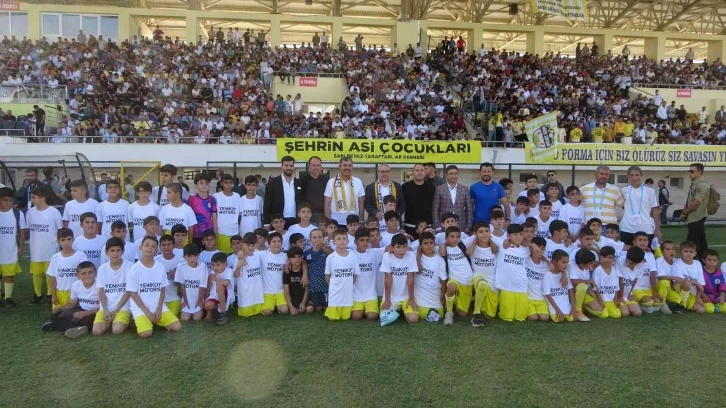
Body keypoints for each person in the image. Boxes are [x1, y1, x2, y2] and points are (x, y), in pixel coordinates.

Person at [126, 236, 182, 338]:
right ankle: (135, 320)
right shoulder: (134, 269)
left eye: (153, 246)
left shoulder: (160, 267)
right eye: (147, 245)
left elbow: (162, 290)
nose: (149, 248)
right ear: (141, 247)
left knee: (177, 327)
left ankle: (153, 321)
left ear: (156, 250)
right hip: (141, 308)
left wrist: (159, 309)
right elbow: (133, 294)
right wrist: (147, 313)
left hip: (157, 307)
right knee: (146, 334)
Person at [41, 261, 99, 339]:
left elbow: (104, 307)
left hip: (95, 312)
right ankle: (74, 327)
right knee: (59, 314)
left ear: (95, 273)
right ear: (77, 275)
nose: (87, 276)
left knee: (86, 321)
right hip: (81, 309)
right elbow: (72, 303)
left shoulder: (99, 285)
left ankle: (60, 326)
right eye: (83, 273)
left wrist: (85, 314)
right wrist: (61, 308)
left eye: (90, 272)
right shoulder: (76, 284)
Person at [27, 186, 64, 304]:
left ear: (42, 198)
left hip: (50, 248)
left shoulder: (53, 212)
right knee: (36, 272)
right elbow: (29, 229)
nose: (32, 200)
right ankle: (37, 294)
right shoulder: (30, 212)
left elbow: (60, 229)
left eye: (34, 197)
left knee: (49, 273)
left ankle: (49, 293)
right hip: (35, 248)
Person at [93, 237, 132, 335]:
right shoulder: (102, 269)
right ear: (106, 252)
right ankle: (109, 321)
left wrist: (116, 310)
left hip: (122, 306)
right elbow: (101, 291)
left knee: (117, 330)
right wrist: (105, 310)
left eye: (118, 250)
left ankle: (126, 320)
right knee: (96, 332)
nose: (115, 253)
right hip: (106, 307)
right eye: (112, 250)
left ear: (123, 252)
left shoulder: (130, 266)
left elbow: (129, 291)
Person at [380, 233, 419, 324]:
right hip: (391, 297)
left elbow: (410, 278)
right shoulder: (387, 256)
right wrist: (387, 300)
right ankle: (396, 308)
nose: (401, 250)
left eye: (404, 246)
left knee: (413, 319)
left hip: (406, 297)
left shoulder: (411, 255)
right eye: (398, 247)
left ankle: (402, 310)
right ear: (392, 247)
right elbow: (388, 279)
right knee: (386, 320)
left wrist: (411, 299)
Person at [619, 166, 661, 246]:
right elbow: (620, 204)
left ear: (641, 176)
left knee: (646, 253)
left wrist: (657, 229)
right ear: (628, 177)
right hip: (627, 228)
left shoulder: (650, 191)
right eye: (632, 175)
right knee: (627, 254)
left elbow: (656, 211)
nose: (635, 178)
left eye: (637, 175)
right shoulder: (623, 190)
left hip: (646, 228)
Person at [324, 229, 361, 321]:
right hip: (335, 292)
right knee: (332, 318)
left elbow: (355, 274)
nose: (342, 241)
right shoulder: (331, 257)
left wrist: (349, 284)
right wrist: (332, 286)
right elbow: (327, 275)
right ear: (333, 242)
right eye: (339, 239)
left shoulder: (353, 256)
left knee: (346, 318)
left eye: (344, 238)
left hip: (347, 292)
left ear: (348, 241)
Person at [0, 187, 26, 307]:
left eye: (11, 200)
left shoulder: (17, 213)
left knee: (9, 274)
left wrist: (20, 247)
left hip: (10, 249)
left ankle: (8, 298)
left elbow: (22, 230)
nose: (8, 203)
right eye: (5, 200)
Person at [351, 228, 384, 321]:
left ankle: (368, 309)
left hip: (371, 295)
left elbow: (390, 247)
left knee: (372, 316)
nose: (365, 243)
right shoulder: (350, 254)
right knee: (356, 317)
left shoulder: (373, 253)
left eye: (366, 240)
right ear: (355, 242)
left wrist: (402, 236)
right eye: (361, 240)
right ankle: (361, 309)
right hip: (356, 294)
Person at [324, 157, 365, 227]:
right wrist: (329, 222)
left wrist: (361, 220)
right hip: (336, 222)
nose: (347, 167)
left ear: (352, 167)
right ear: (339, 167)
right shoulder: (331, 182)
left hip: (354, 222)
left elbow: (361, 203)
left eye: (349, 165)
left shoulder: (358, 181)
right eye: (344, 165)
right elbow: (327, 203)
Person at [264, 156, 303, 229]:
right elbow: (267, 203)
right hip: (279, 221)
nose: (289, 168)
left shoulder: (299, 183)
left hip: (295, 221)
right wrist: (266, 223)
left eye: (291, 166)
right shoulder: (273, 183)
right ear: (281, 166)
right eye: (286, 165)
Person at [432, 165, 472, 233]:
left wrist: (468, 226)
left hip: (460, 225)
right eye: (451, 173)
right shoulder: (440, 189)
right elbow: (435, 209)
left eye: (455, 173)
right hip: (444, 225)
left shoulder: (464, 189)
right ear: (446, 175)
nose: (453, 176)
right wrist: (438, 227)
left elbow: (469, 209)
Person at [682, 163, 710, 260]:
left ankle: (691, 263)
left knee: (692, 244)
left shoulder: (702, 185)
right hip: (695, 217)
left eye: (692, 171)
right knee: (701, 244)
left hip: (697, 217)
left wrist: (685, 212)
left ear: (700, 172)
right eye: (689, 171)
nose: (690, 173)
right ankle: (704, 262)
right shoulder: (695, 184)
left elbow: (696, 203)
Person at [402, 163, 436, 238]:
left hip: (427, 227)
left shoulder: (431, 187)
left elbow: (435, 206)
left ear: (425, 172)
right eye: (417, 170)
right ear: (413, 172)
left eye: (421, 170)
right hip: (410, 226)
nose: (419, 172)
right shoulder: (405, 187)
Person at [543, 249, 575, 323]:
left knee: (573, 319)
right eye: (563, 262)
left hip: (567, 307)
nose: (566, 265)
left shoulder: (565, 272)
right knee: (559, 320)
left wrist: (573, 307)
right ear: (554, 262)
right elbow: (547, 294)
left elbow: (570, 289)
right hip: (555, 308)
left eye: (567, 262)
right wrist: (558, 310)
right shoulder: (547, 275)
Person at [187, 173, 217, 247]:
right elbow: (188, 219)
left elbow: (214, 218)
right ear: (196, 185)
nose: (204, 185)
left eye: (206, 183)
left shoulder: (212, 199)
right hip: (195, 234)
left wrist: (215, 234)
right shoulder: (191, 200)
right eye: (201, 183)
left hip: (208, 235)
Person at [213, 174, 241, 253]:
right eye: (226, 182)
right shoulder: (216, 196)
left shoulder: (237, 196)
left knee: (234, 258)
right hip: (221, 232)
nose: (228, 185)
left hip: (234, 231)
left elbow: (239, 214)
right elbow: (214, 215)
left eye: (230, 182)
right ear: (221, 184)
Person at [299, 156, 330, 223]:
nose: (316, 167)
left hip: (323, 217)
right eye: (313, 165)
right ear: (309, 166)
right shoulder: (302, 181)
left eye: (318, 165)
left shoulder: (327, 181)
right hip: (307, 217)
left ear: (321, 166)